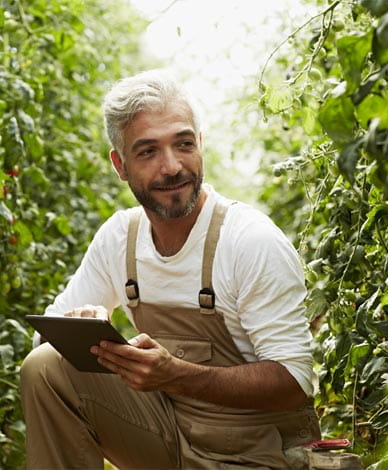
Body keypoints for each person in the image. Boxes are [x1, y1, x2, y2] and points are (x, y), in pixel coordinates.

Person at [20, 70, 321, 469]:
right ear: (120, 164)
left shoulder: (249, 240)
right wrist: (81, 323)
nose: (172, 166)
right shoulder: (119, 239)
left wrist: (175, 375)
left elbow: (294, 382)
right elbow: (46, 337)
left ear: (200, 145)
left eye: (183, 144)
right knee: (43, 367)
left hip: (260, 451)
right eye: (147, 151)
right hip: (168, 439)